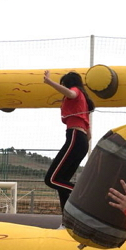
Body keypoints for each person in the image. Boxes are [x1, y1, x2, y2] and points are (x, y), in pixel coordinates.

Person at [43, 70, 95, 211]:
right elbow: (89, 135)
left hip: (74, 136)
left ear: (68, 84)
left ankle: (87, 194)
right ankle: (67, 220)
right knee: (61, 183)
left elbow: (71, 93)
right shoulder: (84, 102)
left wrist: (49, 82)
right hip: (82, 141)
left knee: (51, 179)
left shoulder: (75, 91)